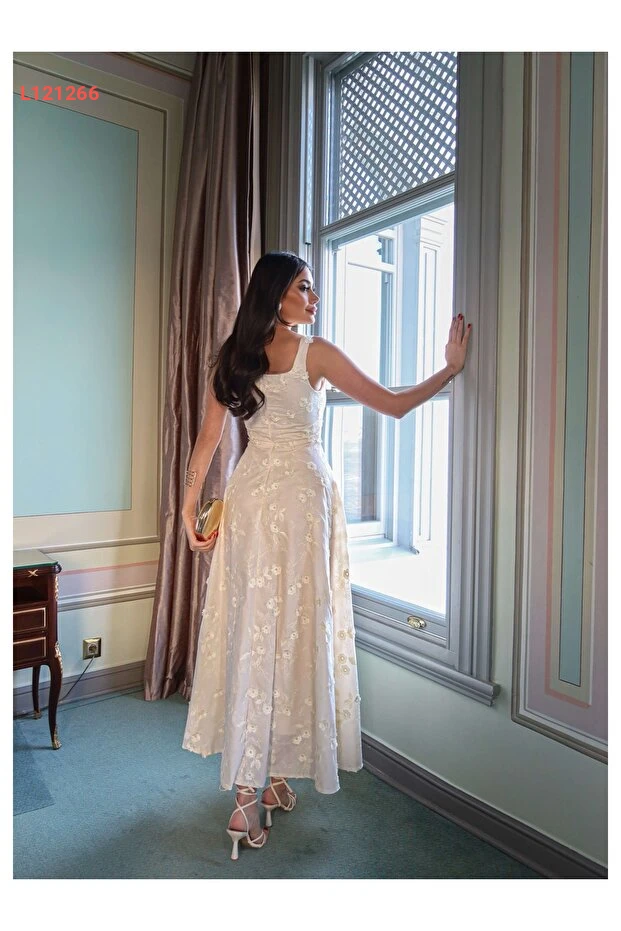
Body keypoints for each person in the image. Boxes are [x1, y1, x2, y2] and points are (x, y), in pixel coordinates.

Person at [180, 251, 471, 860]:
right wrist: (447, 371)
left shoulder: (234, 357)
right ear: (277, 294)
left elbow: (206, 445)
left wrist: (188, 509)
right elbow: (393, 404)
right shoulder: (315, 353)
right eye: (304, 288)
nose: (314, 299)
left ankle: (260, 785)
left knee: (254, 631)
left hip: (252, 498)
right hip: (301, 501)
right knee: (293, 634)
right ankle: (253, 791)